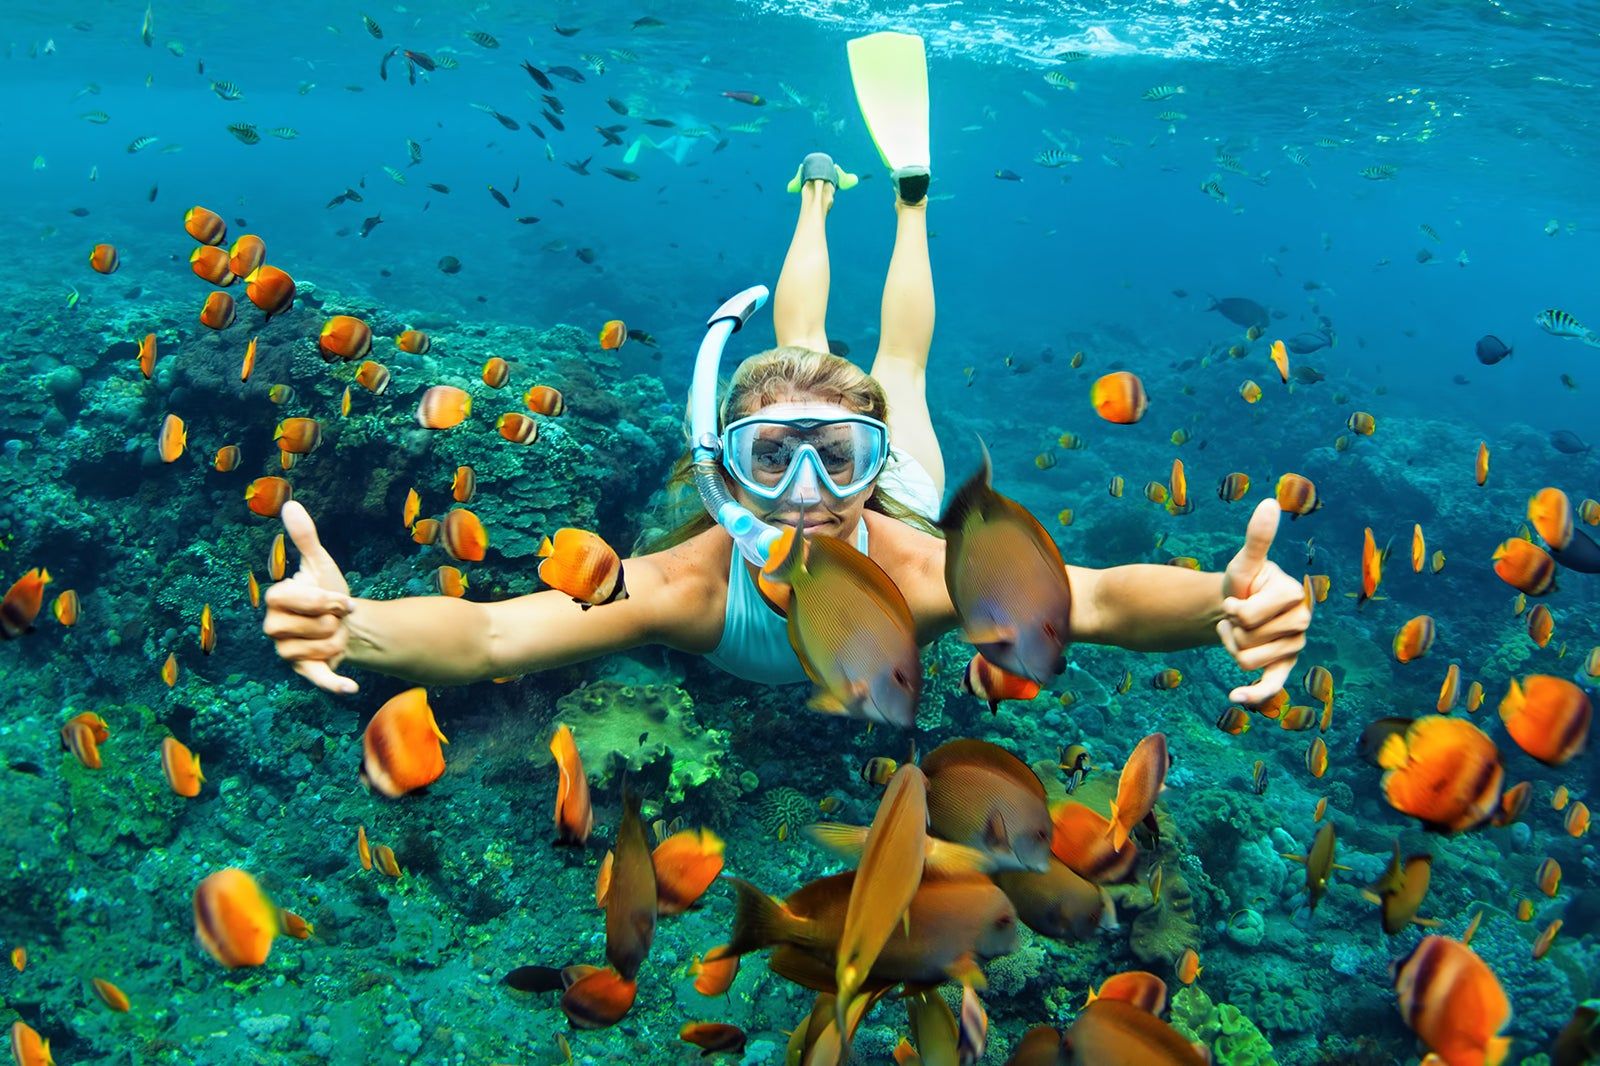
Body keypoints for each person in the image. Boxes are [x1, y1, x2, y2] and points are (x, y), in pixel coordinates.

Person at [263, 34, 1311, 709]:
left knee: (894, 361)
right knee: (813, 345)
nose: (807, 492)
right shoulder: (687, 584)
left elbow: (1097, 602)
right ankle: (815, 203)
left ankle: (906, 201)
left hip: (901, 503)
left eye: (835, 455)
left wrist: (1223, 599)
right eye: (773, 457)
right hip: (827, 495)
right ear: (726, 471)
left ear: (871, 462)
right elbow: (494, 634)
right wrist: (358, 626)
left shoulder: (917, 565)